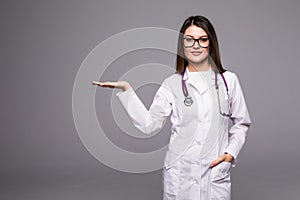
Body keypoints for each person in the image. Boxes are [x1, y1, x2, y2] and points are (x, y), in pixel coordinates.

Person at [92, 15, 251, 200]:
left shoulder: (228, 81)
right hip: (180, 173)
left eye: (202, 39)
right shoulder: (172, 84)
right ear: (182, 45)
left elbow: (242, 123)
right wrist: (127, 90)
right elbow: (149, 125)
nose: (196, 45)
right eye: (189, 40)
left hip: (214, 173)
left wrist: (230, 153)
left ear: (211, 43)